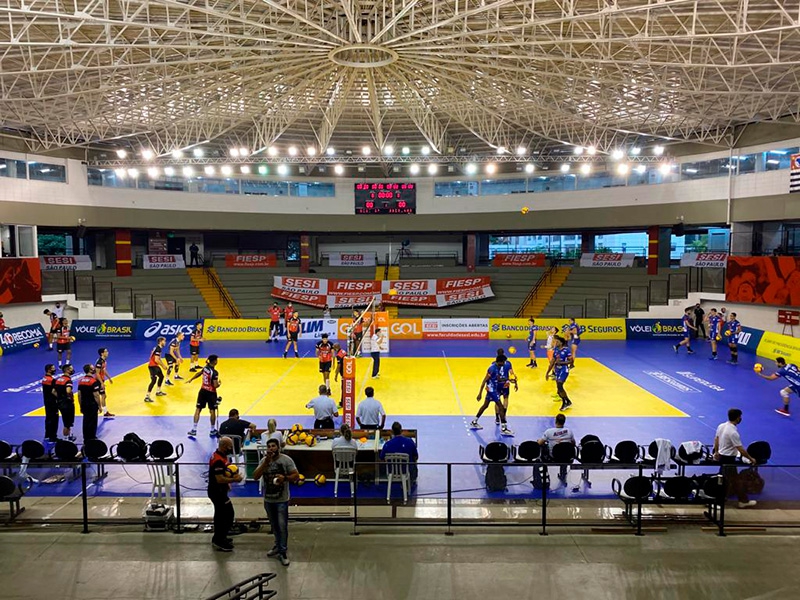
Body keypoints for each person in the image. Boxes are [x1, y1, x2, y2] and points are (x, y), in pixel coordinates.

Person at [253, 438, 300, 566]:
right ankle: (277, 545)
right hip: (268, 499)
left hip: (281, 499)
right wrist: (265, 463)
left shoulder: (286, 460)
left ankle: (283, 551)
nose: (271, 449)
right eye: (269, 447)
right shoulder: (264, 461)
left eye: (273, 446)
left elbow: (296, 476)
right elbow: (255, 476)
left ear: (278, 447)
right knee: (274, 525)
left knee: (282, 526)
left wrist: (284, 478)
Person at [712, 408, 759, 508]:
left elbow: (716, 439)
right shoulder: (733, 433)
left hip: (721, 456)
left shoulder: (721, 426)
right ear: (738, 418)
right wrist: (751, 459)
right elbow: (740, 449)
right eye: (740, 417)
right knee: (733, 481)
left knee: (724, 479)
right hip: (729, 459)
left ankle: (718, 501)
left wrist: (716, 452)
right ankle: (740, 501)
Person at [207, 436, 243, 552]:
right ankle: (219, 540)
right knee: (226, 515)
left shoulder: (221, 456)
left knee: (221, 515)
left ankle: (219, 537)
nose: (231, 449)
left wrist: (228, 483)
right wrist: (234, 480)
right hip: (217, 491)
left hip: (220, 490)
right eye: (229, 447)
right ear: (223, 446)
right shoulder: (218, 460)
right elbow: (219, 479)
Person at [472, 354, 514, 435]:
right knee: (501, 407)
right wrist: (480, 393)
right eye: (503, 362)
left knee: (485, 405)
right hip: (492, 390)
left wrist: (508, 379)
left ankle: (474, 421)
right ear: (500, 362)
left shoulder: (498, 367)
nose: (504, 363)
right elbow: (484, 380)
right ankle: (504, 428)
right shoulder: (492, 368)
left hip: (493, 389)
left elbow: (498, 378)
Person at [187, 354, 222, 437]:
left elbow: (199, 373)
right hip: (211, 393)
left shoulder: (205, 368)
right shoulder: (215, 372)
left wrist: (191, 379)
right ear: (215, 361)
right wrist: (220, 383)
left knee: (198, 409)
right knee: (212, 410)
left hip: (202, 391)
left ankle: (194, 429)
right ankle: (212, 430)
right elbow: (215, 385)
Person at [538, 413, 575, 483]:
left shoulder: (549, 431)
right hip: (567, 457)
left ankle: (545, 475)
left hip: (553, 457)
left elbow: (539, 443)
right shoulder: (569, 431)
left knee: (543, 448)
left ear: (555, 421)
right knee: (565, 450)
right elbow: (573, 444)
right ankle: (563, 473)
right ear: (564, 421)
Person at [546, 336, 574, 412]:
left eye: (557, 342)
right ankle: (567, 401)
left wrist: (562, 363)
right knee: (559, 388)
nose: (555, 343)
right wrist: (547, 372)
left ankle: (565, 401)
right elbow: (552, 361)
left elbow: (571, 361)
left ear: (561, 343)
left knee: (560, 385)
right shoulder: (556, 350)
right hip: (557, 370)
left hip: (564, 370)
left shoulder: (566, 350)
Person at [77, 364, 103, 441]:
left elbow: (79, 395)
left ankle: (86, 437)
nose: (94, 369)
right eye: (92, 368)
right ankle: (92, 438)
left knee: (85, 421)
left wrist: (81, 405)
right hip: (92, 404)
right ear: (90, 370)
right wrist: (99, 406)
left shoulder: (81, 381)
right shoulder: (93, 381)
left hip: (84, 403)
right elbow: (96, 395)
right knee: (92, 421)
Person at [54, 364, 76, 441]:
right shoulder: (68, 380)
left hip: (60, 403)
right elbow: (68, 391)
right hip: (67, 404)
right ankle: (66, 439)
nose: (72, 370)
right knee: (68, 423)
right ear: (67, 370)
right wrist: (68, 397)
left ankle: (68, 436)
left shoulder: (58, 379)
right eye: (71, 369)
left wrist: (60, 397)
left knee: (66, 421)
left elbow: (54, 391)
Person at [144, 337, 168, 403]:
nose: (165, 342)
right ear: (161, 341)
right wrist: (163, 366)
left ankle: (158, 391)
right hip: (152, 366)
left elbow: (157, 358)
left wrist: (163, 365)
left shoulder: (158, 348)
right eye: (164, 341)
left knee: (161, 376)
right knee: (153, 381)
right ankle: (147, 396)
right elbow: (156, 360)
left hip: (155, 366)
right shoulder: (158, 349)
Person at [94, 347, 115, 418]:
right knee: (102, 396)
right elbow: (97, 373)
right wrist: (101, 383)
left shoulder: (104, 361)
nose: (107, 352)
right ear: (102, 353)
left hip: (101, 380)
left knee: (103, 396)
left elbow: (103, 370)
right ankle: (103, 411)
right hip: (98, 381)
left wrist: (109, 378)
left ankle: (103, 411)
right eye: (106, 351)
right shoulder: (99, 362)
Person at [42, 364, 59, 443]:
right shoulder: (52, 380)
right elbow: (53, 391)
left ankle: (47, 435)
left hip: (46, 401)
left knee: (48, 418)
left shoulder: (44, 379)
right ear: (49, 370)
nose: (54, 370)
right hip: (53, 402)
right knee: (54, 419)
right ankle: (53, 437)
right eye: (53, 368)